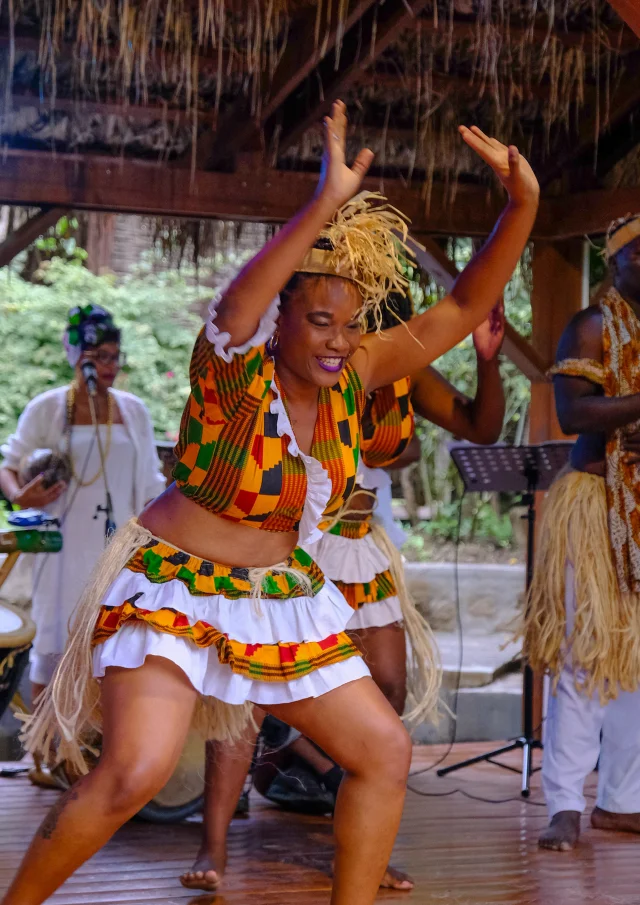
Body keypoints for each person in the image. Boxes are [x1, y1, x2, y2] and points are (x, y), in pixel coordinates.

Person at [1, 101, 538, 905]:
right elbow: (235, 307)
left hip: (279, 594)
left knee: (384, 749)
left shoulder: (355, 371)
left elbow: (460, 309)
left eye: (348, 326)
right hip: (175, 583)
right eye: (318, 319)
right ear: (282, 316)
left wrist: (523, 205)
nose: (335, 340)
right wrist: (323, 202)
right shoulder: (232, 370)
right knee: (135, 773)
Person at [525, 213, 640, 852]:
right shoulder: (592, 326)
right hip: (596, 506)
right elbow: (574, 412)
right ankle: (566, 803)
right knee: (586, 653)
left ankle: (624, 801)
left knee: (638, 663)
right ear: (616, 264)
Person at [0, 305, 165, 706]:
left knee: (109, 645)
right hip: (60, 549)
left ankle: (90, 751)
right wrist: (20, 496)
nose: (108, 366)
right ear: (76, 356)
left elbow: (150, 484)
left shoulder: (134, 411)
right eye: (97, 357)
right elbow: (9, 466)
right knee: (55, 638)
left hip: (116, 548)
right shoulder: (48, 407)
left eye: (114, 356)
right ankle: (44, 753)